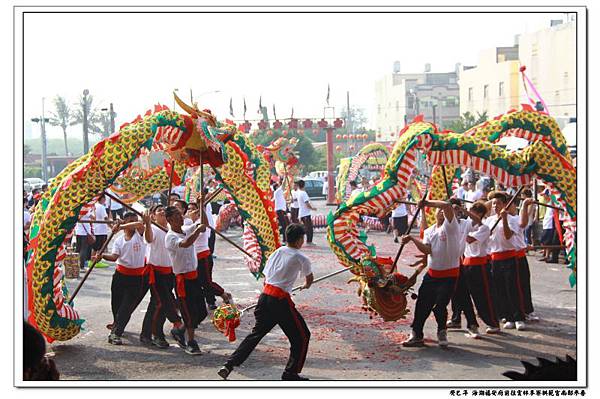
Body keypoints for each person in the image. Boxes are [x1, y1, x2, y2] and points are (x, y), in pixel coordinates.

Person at [218, 223, 313, 381]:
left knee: (255, 335)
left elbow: (267, 275)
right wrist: (305, 285)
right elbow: (309, 280)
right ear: (298, 240)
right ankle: (291, 373)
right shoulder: (301, 257)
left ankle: (229, 364)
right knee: (302, 336)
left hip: (265, 298)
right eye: (302, 238)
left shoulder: (278, 251)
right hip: (280, 301)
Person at [400, 199, 461, 348]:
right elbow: (427, 250)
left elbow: (446, 206)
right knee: (422, 305)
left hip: (449, 275)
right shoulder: (429, 231)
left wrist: (426, 202)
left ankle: (441, 331)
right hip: (432, 275)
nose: (440, 210)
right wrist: (412, 239)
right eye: (437, 209)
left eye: (442, 209)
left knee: (440, 306)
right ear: (433, 213)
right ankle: (416, 334)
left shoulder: (451, 226)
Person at [94, 212, 150, 345]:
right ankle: (117, 323)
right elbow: (114, 257)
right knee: (116, 305)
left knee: (126, 307)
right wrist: (101, 256)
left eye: (134, 220)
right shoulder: (119, 240)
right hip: (120, 276)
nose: (133, 222)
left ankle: (115, 333)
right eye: (129, 220)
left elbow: (140, 224)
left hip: (136, 278)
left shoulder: (140, 234)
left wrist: (121, 226)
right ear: (124, 221)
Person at [448, 201, 501, 335]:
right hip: (465, 264)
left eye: (472, 212)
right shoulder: (465, 223)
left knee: (482, 296)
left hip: (479, 266)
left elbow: (470, 239)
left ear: (479, 214)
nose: (469, 214)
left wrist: (463, 213)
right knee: (461, 294)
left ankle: (492, 322)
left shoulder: (484, 228)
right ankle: (462, 320)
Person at [164, 205, 208, 355]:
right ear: (169, 220)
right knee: (189, 312)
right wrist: (197, 230)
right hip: (182, 280)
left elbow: (204, 224)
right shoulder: (170, 237)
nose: (181, 217)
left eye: (180, 214)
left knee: (201, 311)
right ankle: (191, 342)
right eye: (176, 215)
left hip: (194, 277)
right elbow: (185, 243)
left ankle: (180, 330)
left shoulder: (186, 229)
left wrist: (202, 206)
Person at [139, 205, 184, 349]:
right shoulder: (154, 229)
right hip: (155, 273)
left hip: (169, 272)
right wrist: (147, 223)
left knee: (157, 304)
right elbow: (149, 238)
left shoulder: (171, 231)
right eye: (159, 211)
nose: (162, 212)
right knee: (161, 303)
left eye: (164, 210)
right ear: (153, 216)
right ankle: (159, 334)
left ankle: (146, 334)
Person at [484, 191, 526, 331]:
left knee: (513, 288)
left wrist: (504, 219)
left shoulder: (512, 219)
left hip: (509, 257)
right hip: (495, 258)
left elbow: (508, 236)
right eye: (493, 203)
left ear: (505, 205)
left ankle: (518, 317)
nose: (495, 206)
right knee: (500, 289)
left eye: (498, 203)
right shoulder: (489, 221)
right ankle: (508, 317)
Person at [187, 201, 232, 312]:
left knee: (206, 281)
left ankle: (222, 294)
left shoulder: (200, 222)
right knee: (198, 282)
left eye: (193, 209)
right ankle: (208, 301)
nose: (190, 211)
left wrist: (202, 208)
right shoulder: (186, 223)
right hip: (192, 258)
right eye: (189, 209)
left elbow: (204, 226)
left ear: (198, 213)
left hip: (203, 256)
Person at [296, 180, 316, 246]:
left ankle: (304, 241)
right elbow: (307, 203)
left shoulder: (298, 192)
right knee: (309, 228)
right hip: (305, 214)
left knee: (305, 228)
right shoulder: (303, 193)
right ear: (304, 185)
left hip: (301, 213)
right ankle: (309, 241)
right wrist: (312, 208)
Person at [74, 206, 95, 270]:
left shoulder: (78, 209)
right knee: (83, 249)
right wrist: (94, 210)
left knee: (78, 249)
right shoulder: (86, 209)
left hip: (78, 232)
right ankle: (81, 266)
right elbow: (94, 218)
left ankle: (75, 265)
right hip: (85, 232)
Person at [91, 195, 110, 263]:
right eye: (105, 198)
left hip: (96, 229)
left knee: (95, 247)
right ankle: (96, 261)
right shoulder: (101, 207)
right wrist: (111, 225)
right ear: (102, 199)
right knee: (99, 248)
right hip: (101, 230)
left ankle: (94, 260)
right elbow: (105, 218)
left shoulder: (94, 205)